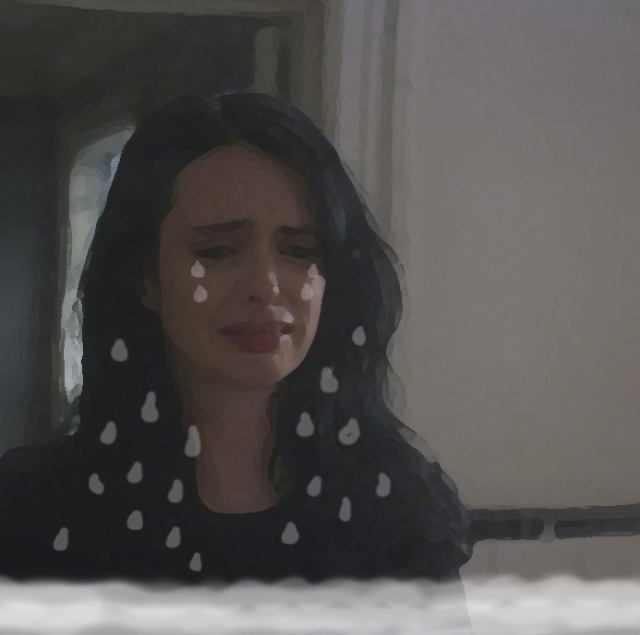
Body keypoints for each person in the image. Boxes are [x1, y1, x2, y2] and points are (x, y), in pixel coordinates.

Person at [0, 92, 473, 585]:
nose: (265, 286)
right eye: (218, 250)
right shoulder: (32, 509)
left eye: (299, 250)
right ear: (145, 279)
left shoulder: (398, 512)